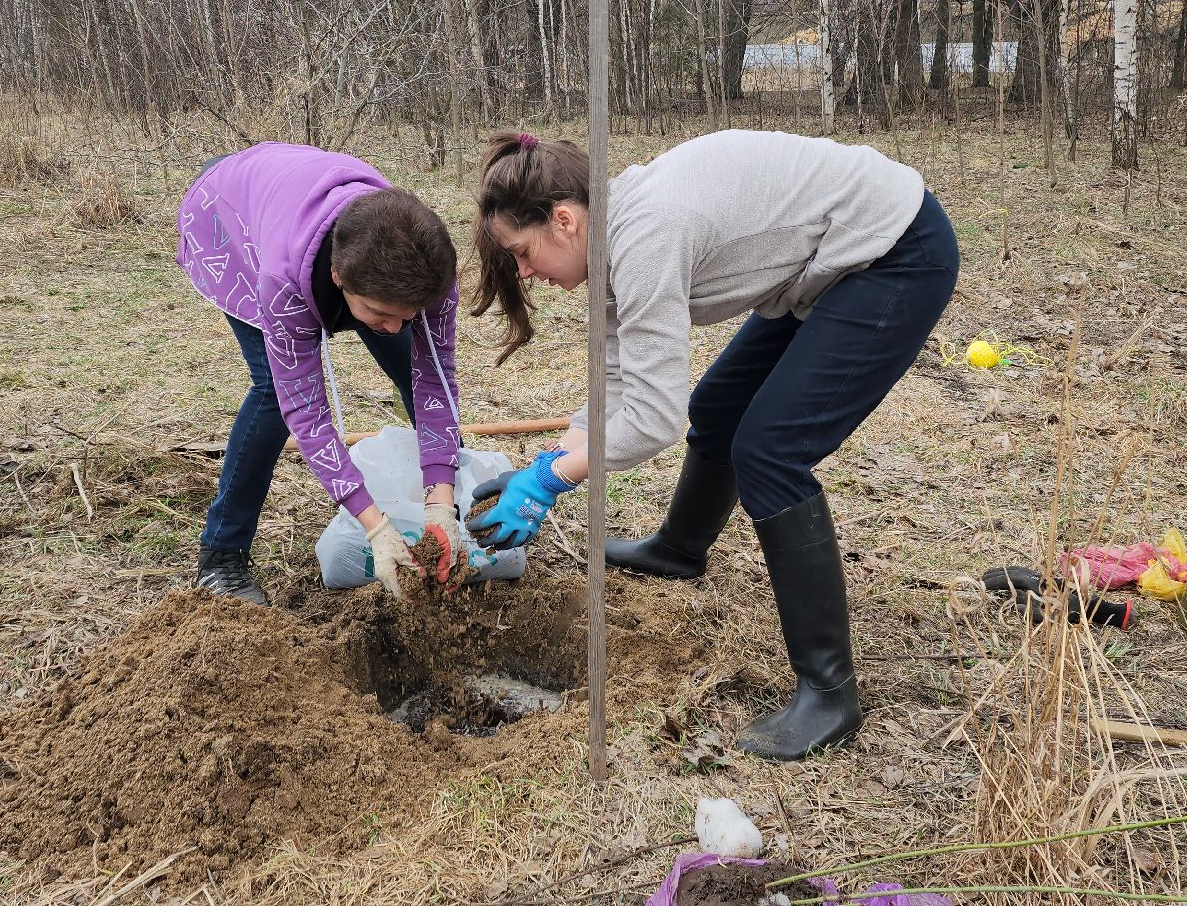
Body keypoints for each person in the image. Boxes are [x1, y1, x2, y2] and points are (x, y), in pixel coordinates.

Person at [465, 129, 958, 760]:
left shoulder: (645, 237)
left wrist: (552, 479)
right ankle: (680, 548)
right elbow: (615, 379)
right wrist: (544, 464)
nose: (524, 271)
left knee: (770, 451)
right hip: (825, 263)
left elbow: (653, 418)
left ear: (564, 220)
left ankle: (830, 693)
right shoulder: (609, 240)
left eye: (523, 251)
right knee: (721, 409)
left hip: (893, 252)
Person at [177, 143, 464, 605]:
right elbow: (307, 412)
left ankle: (444, 516)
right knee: (273, 394)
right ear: (338, 277)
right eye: (379, 312)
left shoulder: (432, 272)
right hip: (231, 221)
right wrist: (375, 526)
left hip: (307, 202)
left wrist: (441, 504)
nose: (395, 326)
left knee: (411, 368)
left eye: (408, 314)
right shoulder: (282, 282)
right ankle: (221, 557)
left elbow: (435, 381)